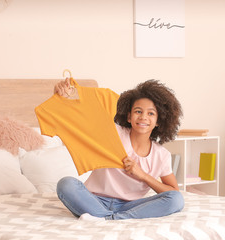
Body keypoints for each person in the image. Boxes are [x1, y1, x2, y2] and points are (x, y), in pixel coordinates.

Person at [54, 79, 184, 220]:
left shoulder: (161, 155)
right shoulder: (112, 133)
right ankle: (115, 219)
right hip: (94, 200)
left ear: (159, 121)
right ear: (129, 116)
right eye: (138, 111)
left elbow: (173, 191)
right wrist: (63, 97)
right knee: (66, 184)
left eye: (151, 113)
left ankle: (107, 219)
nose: (143, 117)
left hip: (131, 206)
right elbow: (81, 119)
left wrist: (143, 175)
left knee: (176, 199)